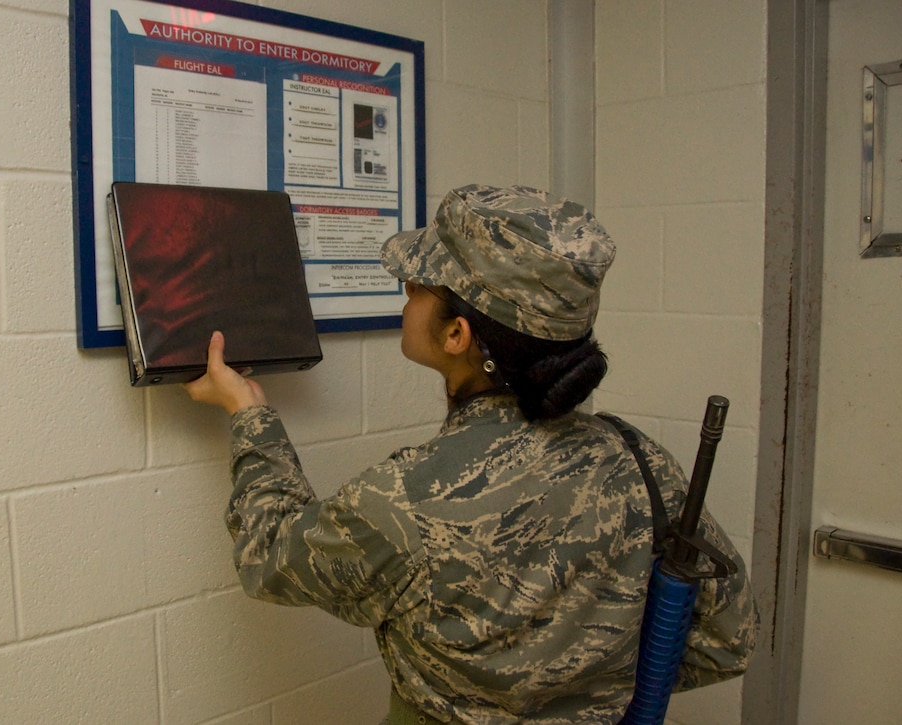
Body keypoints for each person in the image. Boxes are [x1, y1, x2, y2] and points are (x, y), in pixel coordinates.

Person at [184, 184, 757, 724]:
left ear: (456, 334)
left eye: (417, 286)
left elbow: (269, 554)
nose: (405, 294)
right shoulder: (638, 461)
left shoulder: (408, 499)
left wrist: (248, 412)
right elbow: (729, 641)